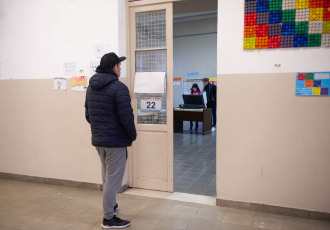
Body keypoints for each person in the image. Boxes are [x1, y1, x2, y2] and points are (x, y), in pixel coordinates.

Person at [85, 52, 136, 229]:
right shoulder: (119, 88)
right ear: (114, 67)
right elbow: (126, 118)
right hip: (115, 141)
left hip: (99, 140)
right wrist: (132, 136)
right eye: (119, 66)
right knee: (113, 180)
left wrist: (100, 129)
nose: (121, 68)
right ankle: (108, 218)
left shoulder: (91, 87)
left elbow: (88, 114)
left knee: (107, 175)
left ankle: (112, 205)